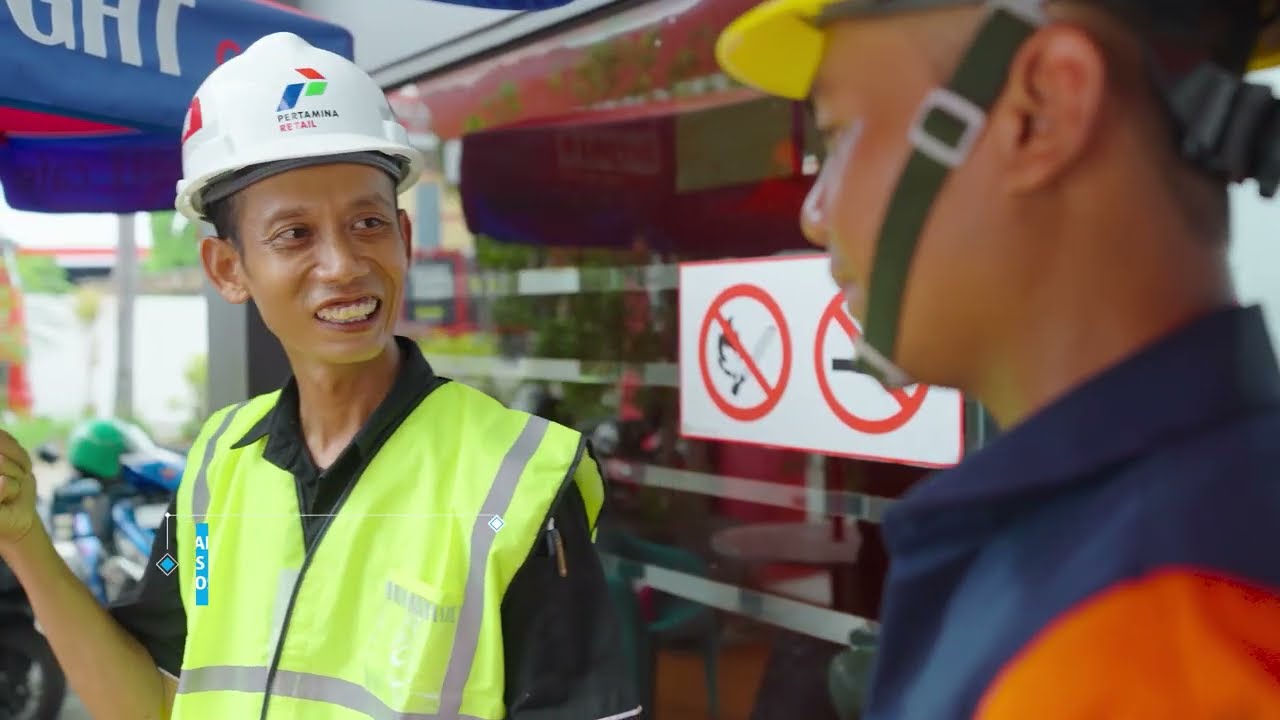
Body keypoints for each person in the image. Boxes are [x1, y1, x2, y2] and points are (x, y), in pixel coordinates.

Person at [0, 32, 640, 720]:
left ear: (404, 237)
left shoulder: (519, 481)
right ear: (228, 268)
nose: (343, 264)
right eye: (295, 234)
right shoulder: (218, 464)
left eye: (367, 223)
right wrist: (24, 538)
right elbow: (149, 703)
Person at [715, 0, 1280, 717]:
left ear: (1042, 110)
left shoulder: (1150, 650)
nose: (816, 210)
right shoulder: (1138, 555)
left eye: (837, 134)